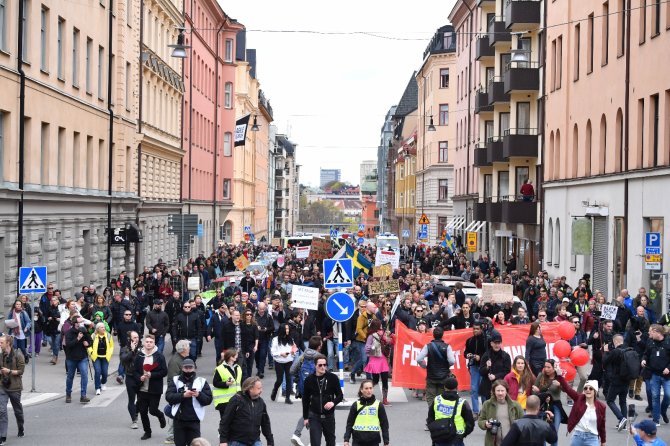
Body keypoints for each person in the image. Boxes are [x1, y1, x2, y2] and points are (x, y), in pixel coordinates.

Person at [165, 358, 213, 446]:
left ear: (194, 368)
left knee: (195, 444)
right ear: (182, 368)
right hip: (179, 420)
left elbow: (208, 400)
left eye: (190, 368)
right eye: (186, 368)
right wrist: (183, 395)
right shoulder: (175, 380)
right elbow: (169, 397)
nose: (188, 370)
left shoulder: (201, 382)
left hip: (194, 420)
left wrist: (199, 395)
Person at [218, 376, 275, 446]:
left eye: (261, 388)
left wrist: (270, 441)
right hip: (237, 441)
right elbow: (225, 421)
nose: (261, 390)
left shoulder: (261, 403)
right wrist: (223, 441)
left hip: (255, 441)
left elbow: (265, 423)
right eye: (259, 388)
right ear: (250, 388)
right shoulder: (236, 400)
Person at [302, 354, 344, 446]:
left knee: (331, 442)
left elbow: (340, 395)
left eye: (324, 365)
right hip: (314, 416)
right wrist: (305, 417)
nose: (323, 367)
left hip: (329, 416)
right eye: (320, 365)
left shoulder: (332, 378)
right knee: (315, 443)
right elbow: (305, 400)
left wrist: (333, 402)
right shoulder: (309, 380)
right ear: (315, 365)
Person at [133, 334, 168, 440]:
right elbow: (134, 371)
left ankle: (160, 416)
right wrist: (140, 378)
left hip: (154, 389)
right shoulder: (139, 355)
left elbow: (164, 371)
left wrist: (152, 375)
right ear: (144, 343)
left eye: (150, 342)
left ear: (154, 343)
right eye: (147, 342)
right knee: (143, 411)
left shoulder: (159, 356)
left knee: (152, 410)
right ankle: (147, 432)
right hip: (142, 388)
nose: (148, 343)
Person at [554, 377, 606, 446]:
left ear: (595, 391)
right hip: (578, 436)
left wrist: (603, 441)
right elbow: (568, 389)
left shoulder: (601, 406)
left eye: (591, 388)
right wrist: (560, 375)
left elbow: (602, 425)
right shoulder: (578, 398)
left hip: (592, 438)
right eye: (585, 388)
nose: (588, 390)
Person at [426, 377, 474, 446]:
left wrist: (434, 432)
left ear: (444, 387)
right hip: (456, 439)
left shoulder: (437, 399)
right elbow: (470, 424)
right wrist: (462, 435)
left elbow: (430, 418)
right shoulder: (462, 403)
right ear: (457, 388)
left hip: (439, 437)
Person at [343, 379, 390, 446]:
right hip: (358, 440)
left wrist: (386, 442)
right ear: (361, 390)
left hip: (373, 441)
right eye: (366, 388)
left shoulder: (378, 405)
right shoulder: (356, 405)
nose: (369, 391)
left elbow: (384, 424)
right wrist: (346, 439)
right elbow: (350, 423)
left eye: (370, 388)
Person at [417, 326, 455, 406]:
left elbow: (419, 359)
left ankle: (432, 414)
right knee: (441, 397)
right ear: (442, 335)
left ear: (433, 335)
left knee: (430, 397)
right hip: (444, 377)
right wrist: (447, 365)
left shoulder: (428, 346)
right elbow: (452, 361)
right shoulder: (447, 346)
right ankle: (440, 414)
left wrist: (424, 366)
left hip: (431, 376)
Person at [532, 360, 567, 446]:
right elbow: (534, 391)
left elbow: (566, 389)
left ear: (554, 368)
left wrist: (560, 384)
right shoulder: (541, 376)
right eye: (545, 367)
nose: (546, 369)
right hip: (543, 406)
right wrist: (539, 393)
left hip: (556, 405)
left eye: (549, 367)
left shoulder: (559, 377)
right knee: (542, 432)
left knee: (554, 433)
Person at [477, 380, 524, 446]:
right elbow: (480, 421)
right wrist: (485, 424)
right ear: (494, 391)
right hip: (493, 443)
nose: (500, 393)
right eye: (498, 391)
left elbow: (523, 422)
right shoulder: (487, 404)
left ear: (506, 391)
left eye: (502, 390)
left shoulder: (516, 405)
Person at [642, 324, 670, 426]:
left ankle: (663, 411)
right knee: (655, 396)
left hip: (666, 375)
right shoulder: (650, 341)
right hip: (654, 374)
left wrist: (668, 368)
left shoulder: (668, 341)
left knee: (668, 395)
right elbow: (646, 353)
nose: (649, 333)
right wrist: (644, 359)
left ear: (656, 332)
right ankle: (656, 419)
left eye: (650, 331)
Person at [165, 339, 191, 444]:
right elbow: (173, 379)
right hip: (177, 392)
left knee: (179, 412)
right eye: (188, 347)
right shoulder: (176, 361)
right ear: (183, 349)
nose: (189, 349)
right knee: (176, 412)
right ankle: (170, 436)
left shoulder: (181, 359)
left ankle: (173, 434)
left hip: (181, 391)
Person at [0, 335, 25, 443]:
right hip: (2, 386)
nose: (0, 344)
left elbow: (21, 371)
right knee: (2, 411)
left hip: (15, 387)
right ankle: (3, 435)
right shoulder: (0, 356)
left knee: (18, 411)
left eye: (1, 342)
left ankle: (21, 427)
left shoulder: (18, 355)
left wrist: (9, 371)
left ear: (8, 343)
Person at [602, 334, 630, 430]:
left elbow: (605, 362)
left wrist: (606, 352)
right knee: (623, 401)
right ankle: (624, 424)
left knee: (610, 400)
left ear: (615, 342)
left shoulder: (615, 351)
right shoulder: (629, 350)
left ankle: (621, 418)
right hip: (626, 380)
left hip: (616, 380)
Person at [363, 319, 393, 406]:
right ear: (376, 326)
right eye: (380, 325)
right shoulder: (371, 336)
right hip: (375, 359)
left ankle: (385, 399)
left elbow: (390, 341)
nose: (381, 326)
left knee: (384, 380)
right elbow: (367, 348)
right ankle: (365, 393)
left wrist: (389, 335)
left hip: (382, 359)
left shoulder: (383, 334)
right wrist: (373, 347)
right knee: (375, 380)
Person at [64, 315, 93, 404]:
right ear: (74, 323)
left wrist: (87, 344)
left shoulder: (84, 331)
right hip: (71, 358)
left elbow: (91, 342)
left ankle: (83, 395)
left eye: (82, 322)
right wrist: (78, 338)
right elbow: (68, 345)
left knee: (84, 374)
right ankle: (68, 394)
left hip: (82, 357)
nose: (81, 324)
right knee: (70, 376)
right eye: (79, 322)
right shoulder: (69, 332)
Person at [479, 333, 512, 405]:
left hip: (500, 387)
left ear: (501, 343)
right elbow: (481, 372)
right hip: (487, 387)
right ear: (491, 343)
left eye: (499, 343)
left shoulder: (505, 356)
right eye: (495, 343)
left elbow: (507, 371)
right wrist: (487, 367)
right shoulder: (486, 355)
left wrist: (495, 376)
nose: (497, 345)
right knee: (487, 409)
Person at [464, 321, 488, 417]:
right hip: (473, 366)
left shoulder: (486, 340)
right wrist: (468, 355)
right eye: (474, 329)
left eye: (477, 329)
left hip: (483, 367)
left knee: (483, 389)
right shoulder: (469, 340)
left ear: (481, 329)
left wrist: (480, 357)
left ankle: (485, 411)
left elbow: (488, 353)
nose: (475, 331)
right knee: (474, 389)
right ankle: (475, 412)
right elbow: (465, 352)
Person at [212, 348, 242, 422]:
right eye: (235, 355)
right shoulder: (219, 369)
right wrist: (226, 384)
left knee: (235, 421)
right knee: (225, 421)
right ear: (230, 357)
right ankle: (222, 433)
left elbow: (240, 381)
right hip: (223, 401)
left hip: (236, 399)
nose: (237, 357)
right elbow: (215, 383)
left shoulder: (238, 368)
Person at [270, 322, 297, 405]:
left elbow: (294, 350)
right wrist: (281, 354)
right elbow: (273, 352)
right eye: (286, 329)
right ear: (282, 330)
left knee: (289, 379)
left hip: (289, 361)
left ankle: (288, 398)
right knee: (280, 380)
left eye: (288, 328)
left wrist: (293, 353)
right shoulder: (275, 339)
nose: (287, 330)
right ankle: (275, 390)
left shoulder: (291, 339)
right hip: (279, 362)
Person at [120, 330, 141, 429]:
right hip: (130, 376)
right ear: (129, 339)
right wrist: (132, 351)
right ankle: (134, 420)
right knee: (131, 399)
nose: (136, 339)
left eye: (137, 337)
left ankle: (136, 411)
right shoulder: (124, 349)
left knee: (142, 400)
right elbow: (124, 359)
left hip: (141, 377)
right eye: (134, 337)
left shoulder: (142, 348)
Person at [88, 322, 114, 396]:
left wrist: (110, 353)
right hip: (96, 357)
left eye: (104, 327)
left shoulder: (108, 335)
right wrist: (91, 352)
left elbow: (112, 346)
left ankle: (103, 383)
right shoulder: (93, 335)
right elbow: (89, 346)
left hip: (105, 357)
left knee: (105, 373)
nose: (103, 328)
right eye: (102, 327)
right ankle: (97, 388)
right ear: (98, 329)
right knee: (98, 371)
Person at [240, 310, 259, 379]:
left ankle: (249, 379)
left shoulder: (254, 325)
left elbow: (256, 336)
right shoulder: (241, 324)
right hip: (243, 346)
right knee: (243, 364)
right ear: (244, 315)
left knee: (250, 364)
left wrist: (256, 346)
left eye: (250, 314)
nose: (249, 316)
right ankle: (244, 378)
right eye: (247, 314)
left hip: (251, 346)